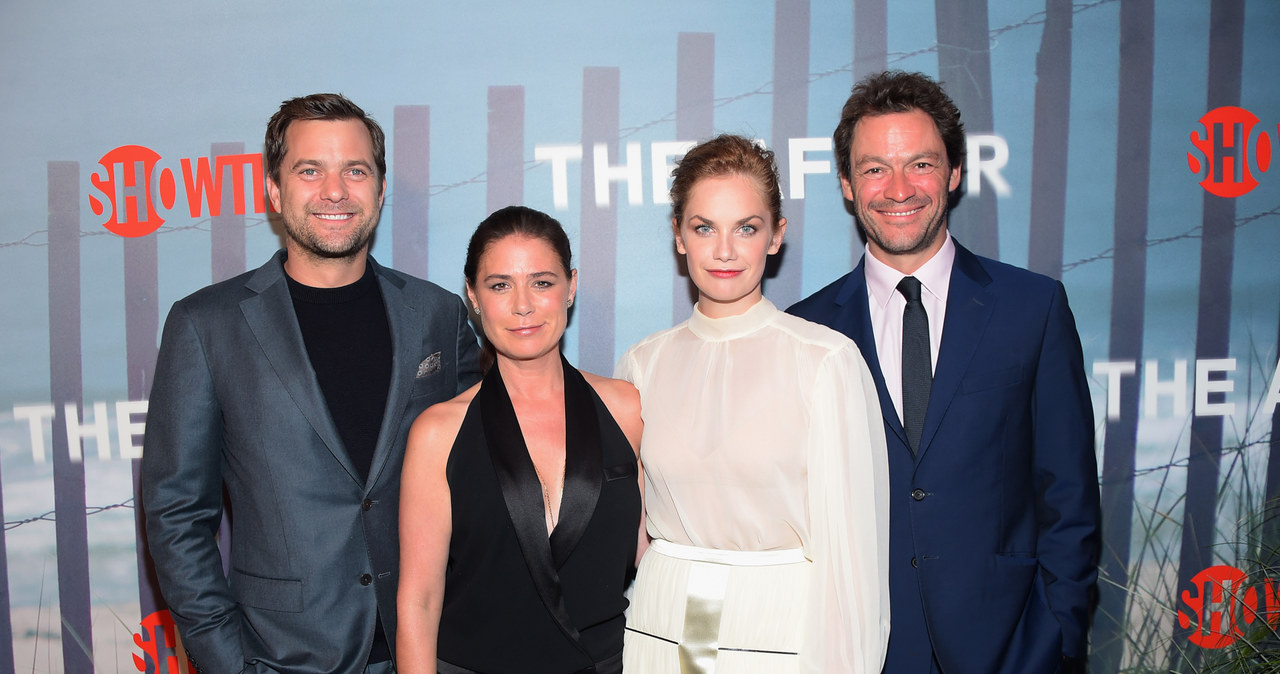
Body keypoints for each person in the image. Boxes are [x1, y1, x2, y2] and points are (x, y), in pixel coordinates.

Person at [141, 93, 482, 673]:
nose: (335, 190)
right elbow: (176, 514)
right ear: (274, 191)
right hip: (281, 657)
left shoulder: (437, 315)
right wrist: (229, 662)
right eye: (309, 170)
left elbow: (481, 477)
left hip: (430, 650)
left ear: (378, 188)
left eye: (355, 170)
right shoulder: (207, 325)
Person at [788, 71, 1101, 673]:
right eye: (875, 168)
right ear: (849, 186)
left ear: (955, 174)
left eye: (921, 164)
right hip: (862, 649)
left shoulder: (1031, 308)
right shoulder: (806, 331)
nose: (898, 188)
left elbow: (1068, 493)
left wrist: (1058, 635)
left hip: (1013, 647)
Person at [616, 134, 890, 673]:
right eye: (703, 228)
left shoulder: (825, 360)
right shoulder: (643, 364)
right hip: (661, 627)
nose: (724, 250)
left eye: (746, 227)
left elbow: (853, 563)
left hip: (784, 632)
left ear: (775, 237)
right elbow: (634, 527)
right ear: (678, 236)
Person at [396, 206, 644, 674]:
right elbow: (419, 600)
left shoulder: (625, 408)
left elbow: (648, 560)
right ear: (472, 295)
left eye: (543, 282)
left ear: (571, 286)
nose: (523, 305)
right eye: (500, 285)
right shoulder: (438, 432)